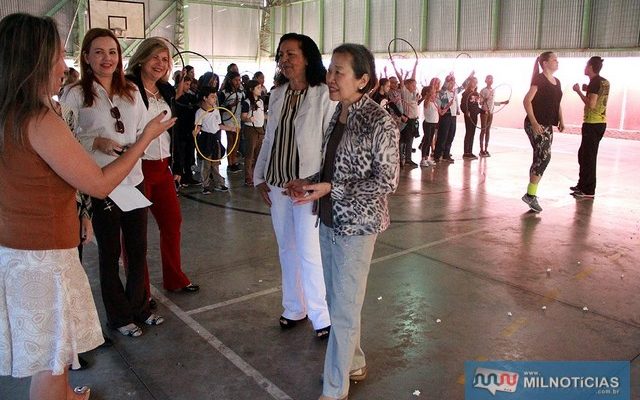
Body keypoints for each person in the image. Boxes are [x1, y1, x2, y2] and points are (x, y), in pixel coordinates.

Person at [0, 13, 174, 399]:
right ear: (33, 60)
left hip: (24, 249)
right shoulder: (39, 118)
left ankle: (64, 394)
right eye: (57, 57)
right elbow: (98, 183)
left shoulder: (11, 113)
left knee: (55, 350)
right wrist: (145, 139)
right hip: (42, 255)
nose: (63, 66)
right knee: (50, 356)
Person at [286, 43, 399, 400]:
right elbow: (335, 166)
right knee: (338, 302)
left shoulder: (379, 121)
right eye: (330, 69)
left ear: (363, 80)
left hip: (358, 227)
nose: (330, 77)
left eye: (339, 72)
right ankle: (355, 362)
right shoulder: (339, 113)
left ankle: (334, 389)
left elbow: (387, 181)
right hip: (331, 218)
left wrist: (332, 187)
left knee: (345, 309)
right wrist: (311, 183)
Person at [61, 28, 167, 338]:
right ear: (86, 57)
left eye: (112, 52)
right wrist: (97, 142)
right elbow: (66, 139)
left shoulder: (132, 91)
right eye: (99, 52)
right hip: (99, 185)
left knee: (137, 250)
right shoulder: (75, 94)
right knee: (108, 254)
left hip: (132, 181)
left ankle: (140, 307)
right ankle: (119, 317)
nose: (107, 58)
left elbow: (140, 134)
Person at [253, 32, 334, 339]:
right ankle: (293, 308)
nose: (284, 61)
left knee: (309, 251)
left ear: (308, 58)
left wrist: (317, 182)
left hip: (307, 187)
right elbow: (270, 139)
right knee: (286, 248)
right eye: (281, 56)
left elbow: (327, 145)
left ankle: (320, 315)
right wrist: (260, 176)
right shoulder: (278, 93)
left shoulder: (323, 93)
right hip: (278, 184)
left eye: (291, 55)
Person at [125, 37, 200, 295]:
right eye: (155, 57)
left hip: (162, 168)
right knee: (135, 235)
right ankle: (140, 292)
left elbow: (173, 132)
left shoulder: (166, 91)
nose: (160, 63)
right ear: (142, 58)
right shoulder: (126, 88)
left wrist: (177, 166)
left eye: (165, 59)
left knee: (172, 222)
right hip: (135, 168)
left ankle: (175, 278)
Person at [522, 51, 564, 212]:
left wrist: (561, 119)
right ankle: (530, 195)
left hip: (548, 125)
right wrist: (533, 122)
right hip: (536, 124)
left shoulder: (557, 82)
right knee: (544, 158)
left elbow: (557, 103)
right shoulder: (539, 79)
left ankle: (531, 194)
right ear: (545, 63)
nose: (557, 62)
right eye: (554, 59)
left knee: (539, 157)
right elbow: (527, 101)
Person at [570, 56, 609, 199]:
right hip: (600, 123)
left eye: (586, 65)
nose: (584, 68)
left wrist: (578, 91)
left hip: (592, 124)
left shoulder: (594, 83)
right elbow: (598, 96)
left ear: (591, 67)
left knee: (588, 157)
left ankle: (588, 190)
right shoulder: (603, 81)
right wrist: (587, 88)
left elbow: (591, 104)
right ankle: (582, 184)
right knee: (584, 154)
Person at [195, 86, 233, 193]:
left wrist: (232, 128)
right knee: (206, 164)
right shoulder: (199, 112)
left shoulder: (216, 110)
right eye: (212, 97)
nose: (214, 99)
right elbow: (198, 126)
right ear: (205, 98)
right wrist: (196, 132)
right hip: (206, 139)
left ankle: (219, 183)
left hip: (216, 139)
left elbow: (219, 125)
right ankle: (205, 185)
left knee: (215, 163)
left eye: (215, 97)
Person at [434, 71, 473, 163]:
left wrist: (469, 77)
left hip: (453, 116)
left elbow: (463, 86)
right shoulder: (442, 92)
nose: (452, 85)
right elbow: (444, 87)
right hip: (446, 115)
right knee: (442, 136)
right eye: (450, 83)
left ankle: (446, 155)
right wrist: (447, 79)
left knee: (451, 135)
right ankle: (437, 155)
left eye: (453, 83)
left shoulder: (455, 91)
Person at [218, 71, 244, 173]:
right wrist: (230, 106)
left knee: (236, 141)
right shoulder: (224, 93)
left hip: (237, 119)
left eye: (239, 80)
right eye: (236, 80)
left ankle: (234, 161)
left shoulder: (241, 92)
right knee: (231, 141)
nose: (238, 82)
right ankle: (230, 163)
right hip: (228, 120)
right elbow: (219, 107)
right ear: (230, 81)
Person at [241, 79, 266, 186]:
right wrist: (248, 119)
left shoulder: (260, 102)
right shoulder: (246, 102)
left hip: (260, 129)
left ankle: (256, 175)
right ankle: (248, 177)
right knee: (250, 154)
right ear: (251, 89)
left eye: (261, 87)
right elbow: (243, 117)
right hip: (251, 130)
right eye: (258, 88)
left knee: (259, 154)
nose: (261, 89)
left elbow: (262, 115)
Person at [478, 75, 508, 157]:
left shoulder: (493, 90)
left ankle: (486, 149)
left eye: (492, 79)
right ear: (486, 80)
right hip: (484, 112)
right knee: (483, 130)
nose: (490, 80)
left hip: (491, 113)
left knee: (488, 131)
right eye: (489, 79)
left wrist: (503, 102)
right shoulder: (483, 90)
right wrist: (484, 99)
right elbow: (480, 102)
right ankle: (481, 150)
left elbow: (493, 102)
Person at [419, 77, 441, 167]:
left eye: (435, 93)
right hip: (428, 124)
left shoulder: (434, 102)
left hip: (433, 124)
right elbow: (428, 96)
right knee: (427, 141)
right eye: (433, 93)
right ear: (428, 94)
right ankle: (422, 159)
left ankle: (427, 158)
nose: (434, 94)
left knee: (430, 141)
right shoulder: (426, 101)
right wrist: (432, 87)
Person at [461, 76, 481, 159]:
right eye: (473, 82)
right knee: (468, 133)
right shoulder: (466, 93)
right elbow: (462, 105)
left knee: (472, 133)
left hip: (474, 116)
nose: (475, 83)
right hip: (468, 116)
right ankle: (466, 152)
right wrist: (466, 111)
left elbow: (476, 106)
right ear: (470, 83)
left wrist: (483, 111)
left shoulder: (476, 94)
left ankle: (470, 152)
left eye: (476, 82)